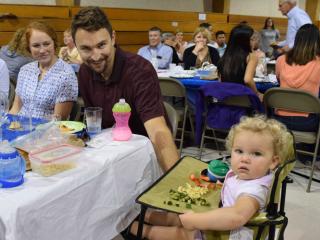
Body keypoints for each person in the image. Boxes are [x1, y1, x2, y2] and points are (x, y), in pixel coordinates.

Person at [129, 115, 292, 240]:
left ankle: (142, 230)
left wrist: (195, 221)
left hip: (228, 234)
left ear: (273, 161)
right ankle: (145, 216)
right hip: (223, 215)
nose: (245, 159)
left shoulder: (253, 190)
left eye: (256, 154)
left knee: (185, 232)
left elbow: (237, 216)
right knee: (181, 215)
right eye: (239, 151)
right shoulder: (252, 174)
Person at [71, 7, 179, 171]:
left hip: (144, 156)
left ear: (113, 38)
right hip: (109, 154)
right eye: (86, 48)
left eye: (101, 45)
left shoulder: (140, 71)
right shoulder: (85, 72)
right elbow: (97, 126)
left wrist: (175, 180)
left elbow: (157, 129)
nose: (95, 56)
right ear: (76, 47)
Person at [9, 21, 78, 120]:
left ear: (54, 44)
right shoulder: (25, 70)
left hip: (46, 132)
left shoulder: (66, 74)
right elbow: (15, 109)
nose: (42, 50)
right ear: (29, 48)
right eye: (36, 46)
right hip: (18, 129)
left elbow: (58, 121)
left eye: (46, 44)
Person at [275, 24, 320, 132]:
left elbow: (279, 80)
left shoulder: (281, 59)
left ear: (297, 39)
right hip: (307, 121)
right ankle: (317, 147)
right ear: (317, 41)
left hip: (279, 120)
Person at [218, 24, 263, 100]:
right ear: (243, 42)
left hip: (226, 98)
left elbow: (220, 80)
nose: (254, 42)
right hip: (243, 98)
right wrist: (257, 93)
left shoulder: (226, 56)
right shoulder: (252, 56)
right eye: (251, 39)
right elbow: (248, 80)